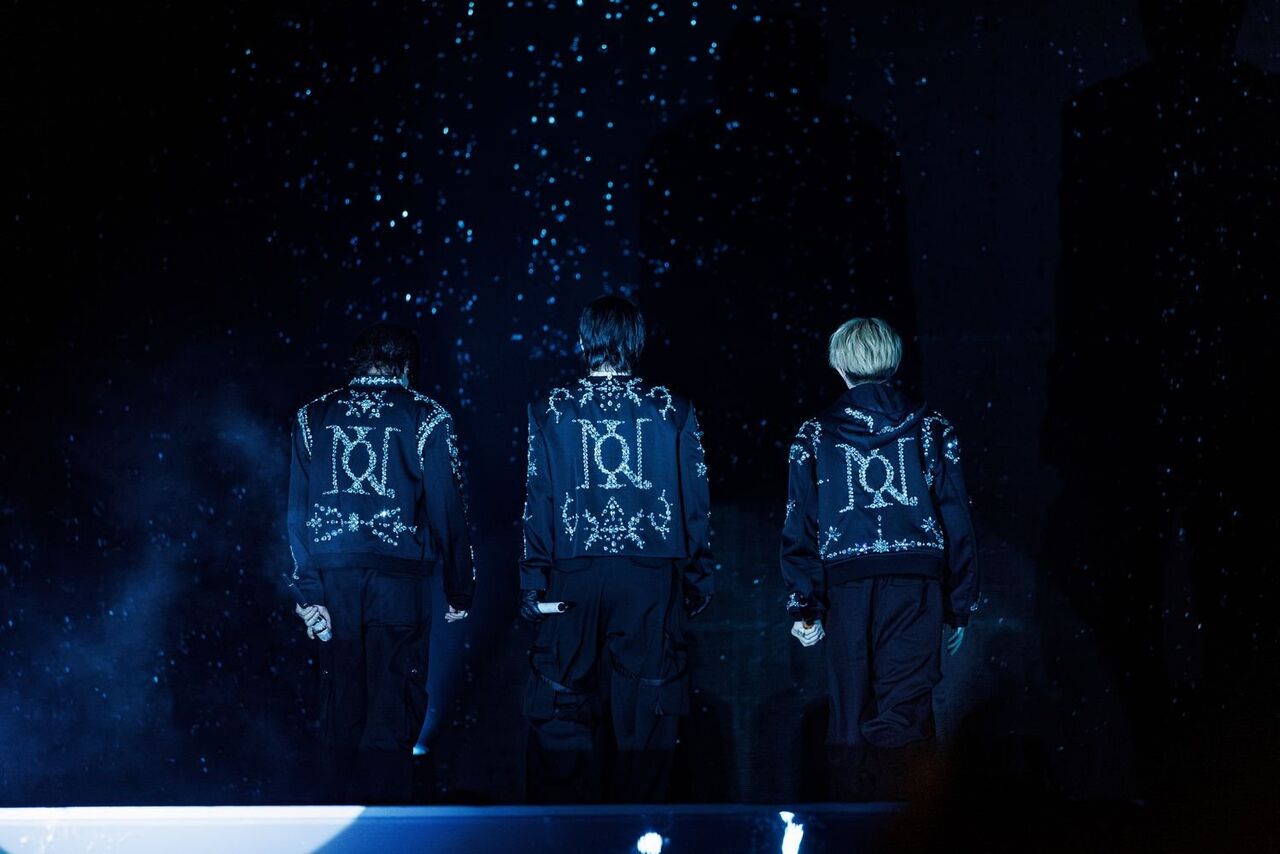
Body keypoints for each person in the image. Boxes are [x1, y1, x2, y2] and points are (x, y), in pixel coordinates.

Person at [519, 295, 714, 803]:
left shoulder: (551, 409)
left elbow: (538, 500)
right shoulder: (672, 408)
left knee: (560, 699)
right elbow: (695, 502)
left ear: (583, 340)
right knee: (649, 705)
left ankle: (564, 828)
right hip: (650, 574)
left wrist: (533, 582)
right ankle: (641, 827)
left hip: (572, 575)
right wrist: (697, 578)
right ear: (637, 341)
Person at [781, 317, 978, 800]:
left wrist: (805, 606)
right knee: (904, 716)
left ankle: (854, 825)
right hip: (916, 589)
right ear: (894, 359)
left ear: (838, 364)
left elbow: (800, 523)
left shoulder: (815, 434)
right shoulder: (932, 427)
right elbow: (957, 519)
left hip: (847, 591)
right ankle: (906, 826)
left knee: (849, 720)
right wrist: (959, 605)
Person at [287, 323, 475, 804]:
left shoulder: (312, 417)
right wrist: (460, 587)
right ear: (407, 367)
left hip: (334, 585)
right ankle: (384, 822)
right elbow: (447, 509)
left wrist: (309, 594)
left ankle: (339, 814)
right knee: (393, 708)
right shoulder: (427, 416)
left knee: (339, 708)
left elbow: (296, 516)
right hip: (399, 584)